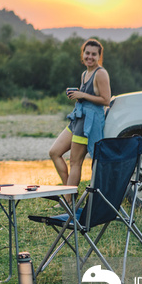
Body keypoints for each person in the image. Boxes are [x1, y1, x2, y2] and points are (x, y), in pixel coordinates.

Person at [49, 38, 111, 190]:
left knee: (75, 162)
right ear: (82, 54)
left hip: (88, 122)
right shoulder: (85, 74)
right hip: (77, 118)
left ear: (99, 56)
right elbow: (87, 97)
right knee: (54, 152)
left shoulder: (101, 74)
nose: (90, 57)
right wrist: (77, 94)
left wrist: (82, 95)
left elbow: (106, 99)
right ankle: (68, 192)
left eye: (94, 54)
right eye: (87, 53)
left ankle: (69, 200)